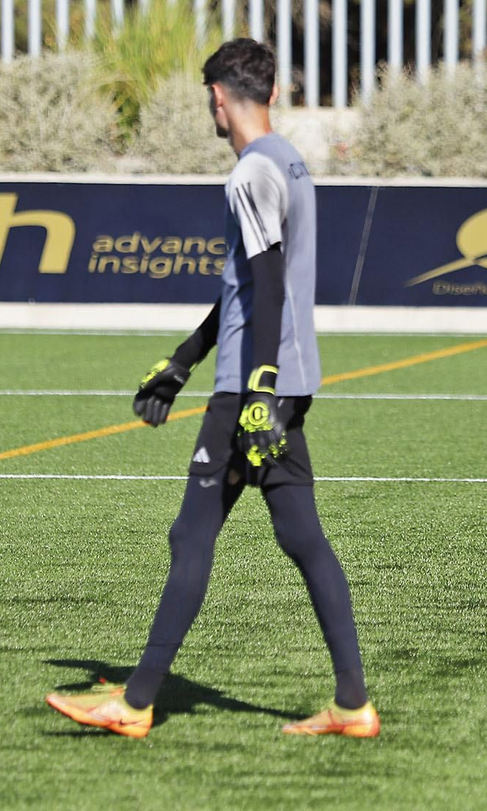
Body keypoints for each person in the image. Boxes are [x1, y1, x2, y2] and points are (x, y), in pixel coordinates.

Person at [46, 38, 377, 739]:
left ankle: (134, 702)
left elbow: (269, 283)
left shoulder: (250, 172)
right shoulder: (288, 161)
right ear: (274, 94)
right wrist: (182, 360)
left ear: (220, 98)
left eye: (209, 99)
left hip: (254, 386)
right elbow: (248, 285)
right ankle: (353, 704)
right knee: (301, 534)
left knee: (191, 532)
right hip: (280, 379)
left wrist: (255, 388)